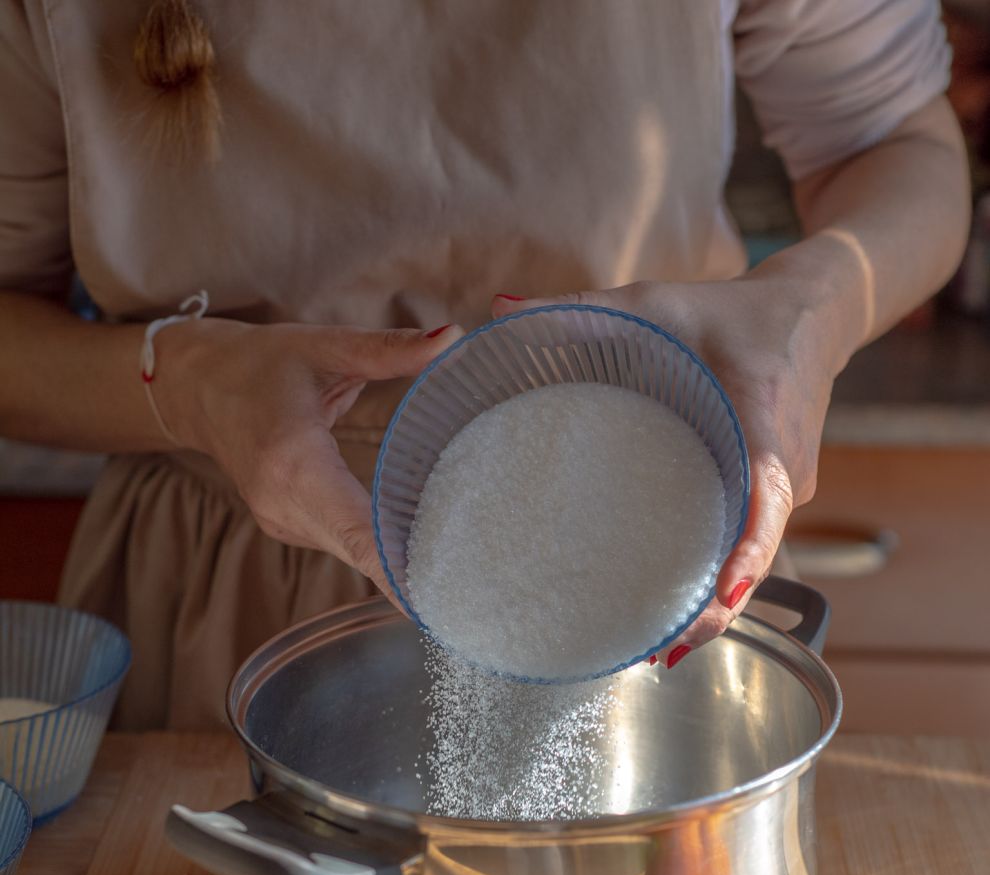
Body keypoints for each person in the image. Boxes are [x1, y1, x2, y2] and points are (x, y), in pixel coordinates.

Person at [0, 0, 970, 728]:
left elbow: (890, 143)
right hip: (219, 606)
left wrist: (810, 312)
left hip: (654, 564)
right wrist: (184, 385)